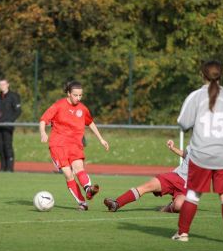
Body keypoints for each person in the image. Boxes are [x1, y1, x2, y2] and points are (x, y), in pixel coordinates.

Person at [172, 60, 223, 244]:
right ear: (221, 75)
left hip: (200, 154)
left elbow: (183, 122)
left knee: (193, 195)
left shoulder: (195, 96)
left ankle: (183, 234)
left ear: (202, 75)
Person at [39, 81, 109, 211]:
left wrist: (101, 139)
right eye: (75, 95)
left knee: (79, 168)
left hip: (75, 144)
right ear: (69, 94)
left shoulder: (82, 108)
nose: (78, 98)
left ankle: (88, 189)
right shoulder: (58, 105)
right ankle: (82, 202)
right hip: (58, 145)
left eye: (80, 95)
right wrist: (43, 133)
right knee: (68, 174)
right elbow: (43, 119)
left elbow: (90, 122)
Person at [104, 140, 189, 213]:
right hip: (175, 176)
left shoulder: (202, 146)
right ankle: (116, 204)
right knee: (146, 187)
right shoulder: (196, 141)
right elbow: (186, 155)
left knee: (178, 206)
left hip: (188, 186)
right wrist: (173, 148)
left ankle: (168, 207)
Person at [0, 78, 21, 172]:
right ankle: (2, 167)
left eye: (3, 84)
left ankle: (10, 168)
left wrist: (9, 120)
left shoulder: (13, 96)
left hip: (8, 126)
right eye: (0, 84)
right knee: (0, 146)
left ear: (8, 84)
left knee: (7, 146)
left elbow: (18, 111)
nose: (2, 86)